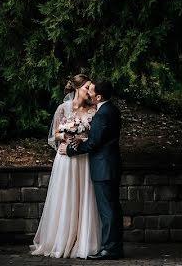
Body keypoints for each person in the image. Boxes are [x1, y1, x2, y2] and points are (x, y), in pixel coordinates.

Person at [30, 74, 101, 258]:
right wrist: (66, 135)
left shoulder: (94, 110)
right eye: (87, 88)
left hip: (84, 160)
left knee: (84, 197)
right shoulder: (63, 109)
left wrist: (81, 137)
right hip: (66, 160)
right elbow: (53, 136)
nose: (90, 92)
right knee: (66, 197)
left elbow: (95, 138)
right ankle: (61, 240)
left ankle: (83, 240)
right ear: (77, 88)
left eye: (91, 89)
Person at [67, 79, 123, 260]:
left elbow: (94, 142)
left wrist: (70, 150)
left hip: (103, 167)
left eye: (91, 91)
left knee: (107, 210)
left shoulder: (102, 114)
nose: (89, 93)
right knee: (114, 208)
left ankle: (109, 249)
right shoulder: (113, 110)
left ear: (99, 96)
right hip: (112, 164)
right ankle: (116, 247)